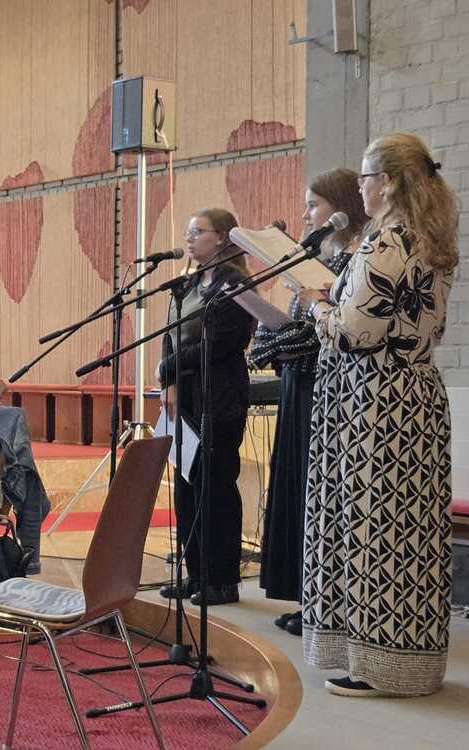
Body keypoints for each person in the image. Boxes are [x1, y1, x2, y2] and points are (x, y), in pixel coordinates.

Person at [297, 133, 458, 697]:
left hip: (374, 404)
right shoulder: (430, 239)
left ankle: (373, 665)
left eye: (365, 177)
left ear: (385, 182)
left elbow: (353, 333)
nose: (361, 187)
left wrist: (316, 303)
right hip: (414, 394)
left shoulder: (385, 242)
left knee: (371, 530)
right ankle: (408, 663)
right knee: (409, 533)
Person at [252, 170, 369, 637]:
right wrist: (281, 338)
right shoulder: (320, 264)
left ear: (341, 207)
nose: (306, 215)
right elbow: (279, 337)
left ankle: (324, 603)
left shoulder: (350, 264)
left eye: (314, 205)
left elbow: (318, 336)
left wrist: (291, 335)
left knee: (317, 495)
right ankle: (307, 597)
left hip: (326, 390)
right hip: (296, 386)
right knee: (296, 491)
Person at [157, 209, 254, 606]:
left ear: (223, 237)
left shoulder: (236, 286)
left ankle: (222, 580)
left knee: (214, 488)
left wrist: (169, 367)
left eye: (198, 231)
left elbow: (219, 344)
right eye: (188, 231)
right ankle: (195, 573)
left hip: (219, 395)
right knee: (186, 488)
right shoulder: (189, 283)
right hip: (186, 394)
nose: (190, 238)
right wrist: (169, 381)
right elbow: (170, 334)